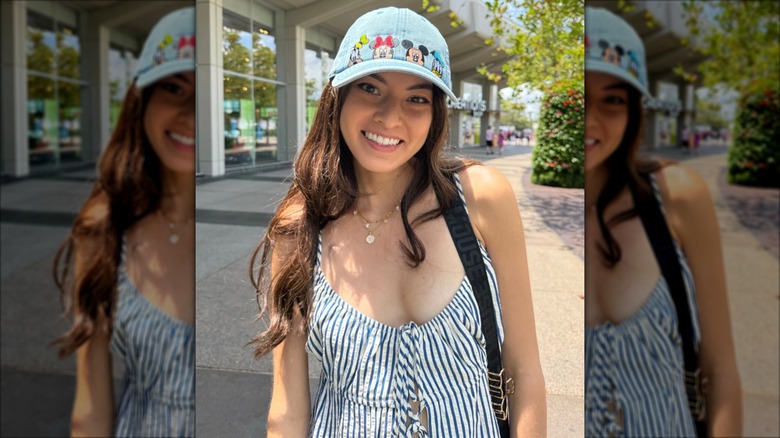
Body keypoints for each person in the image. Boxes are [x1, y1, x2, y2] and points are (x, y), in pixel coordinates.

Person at [249, 7, 546, 437]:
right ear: (337, 97)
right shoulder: (301, 227)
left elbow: (524, 370)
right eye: (370, 88)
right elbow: (288, 410)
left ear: (436, 112)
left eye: (416, 98)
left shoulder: (479, 199)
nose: (390, 117)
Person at [584, 7, 741, 437]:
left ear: (634, 111)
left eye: (612, 100)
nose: (590, 119)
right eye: (581, 96)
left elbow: (720, 371)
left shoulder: (677, 197)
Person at [53, 7, 195, 437]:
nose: (190, 113)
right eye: (174, 87)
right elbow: (91, 410)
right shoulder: (104, 228)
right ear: (142, 101)